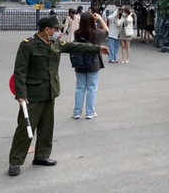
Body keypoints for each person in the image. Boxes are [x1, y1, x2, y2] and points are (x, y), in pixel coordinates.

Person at [7, 15, 109, 177]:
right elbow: (19, 72)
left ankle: (41, 156)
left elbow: (74, 46)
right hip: (32, 95)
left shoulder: (54, 43)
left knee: (47, 127)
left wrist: (97, 49)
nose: (58, 31)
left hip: (50, 91)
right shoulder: (28, 45)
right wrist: (21, 95)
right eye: (55, 29)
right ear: (47, 30)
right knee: (25, 129)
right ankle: (15, 161)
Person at [72, 12, 108, 120]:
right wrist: (100, 19)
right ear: (92, 21)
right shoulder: (96, 33)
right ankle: (90, 112)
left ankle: (77, 112)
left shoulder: (77, 33)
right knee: (92, 88)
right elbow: (107, 30)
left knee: (80, 88)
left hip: (80, 63)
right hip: (93, 63)